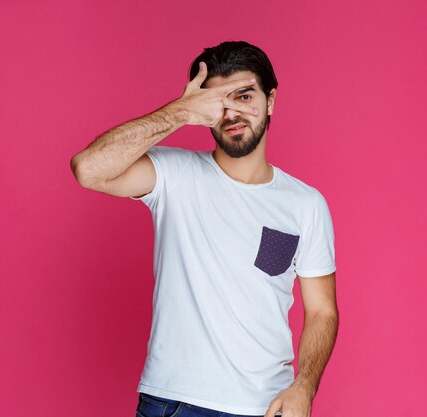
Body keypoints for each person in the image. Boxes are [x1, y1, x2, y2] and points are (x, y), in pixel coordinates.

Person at [70, 40, 339, 417]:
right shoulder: (173, 175)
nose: (232, 113)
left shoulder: (305, 204)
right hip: (175, 403)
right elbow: (88, 168)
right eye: (219, 103)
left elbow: (323, 311)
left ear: (270, 101)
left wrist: (305, 387)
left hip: (267, 407)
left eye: (244, 96)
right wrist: (180, 112)